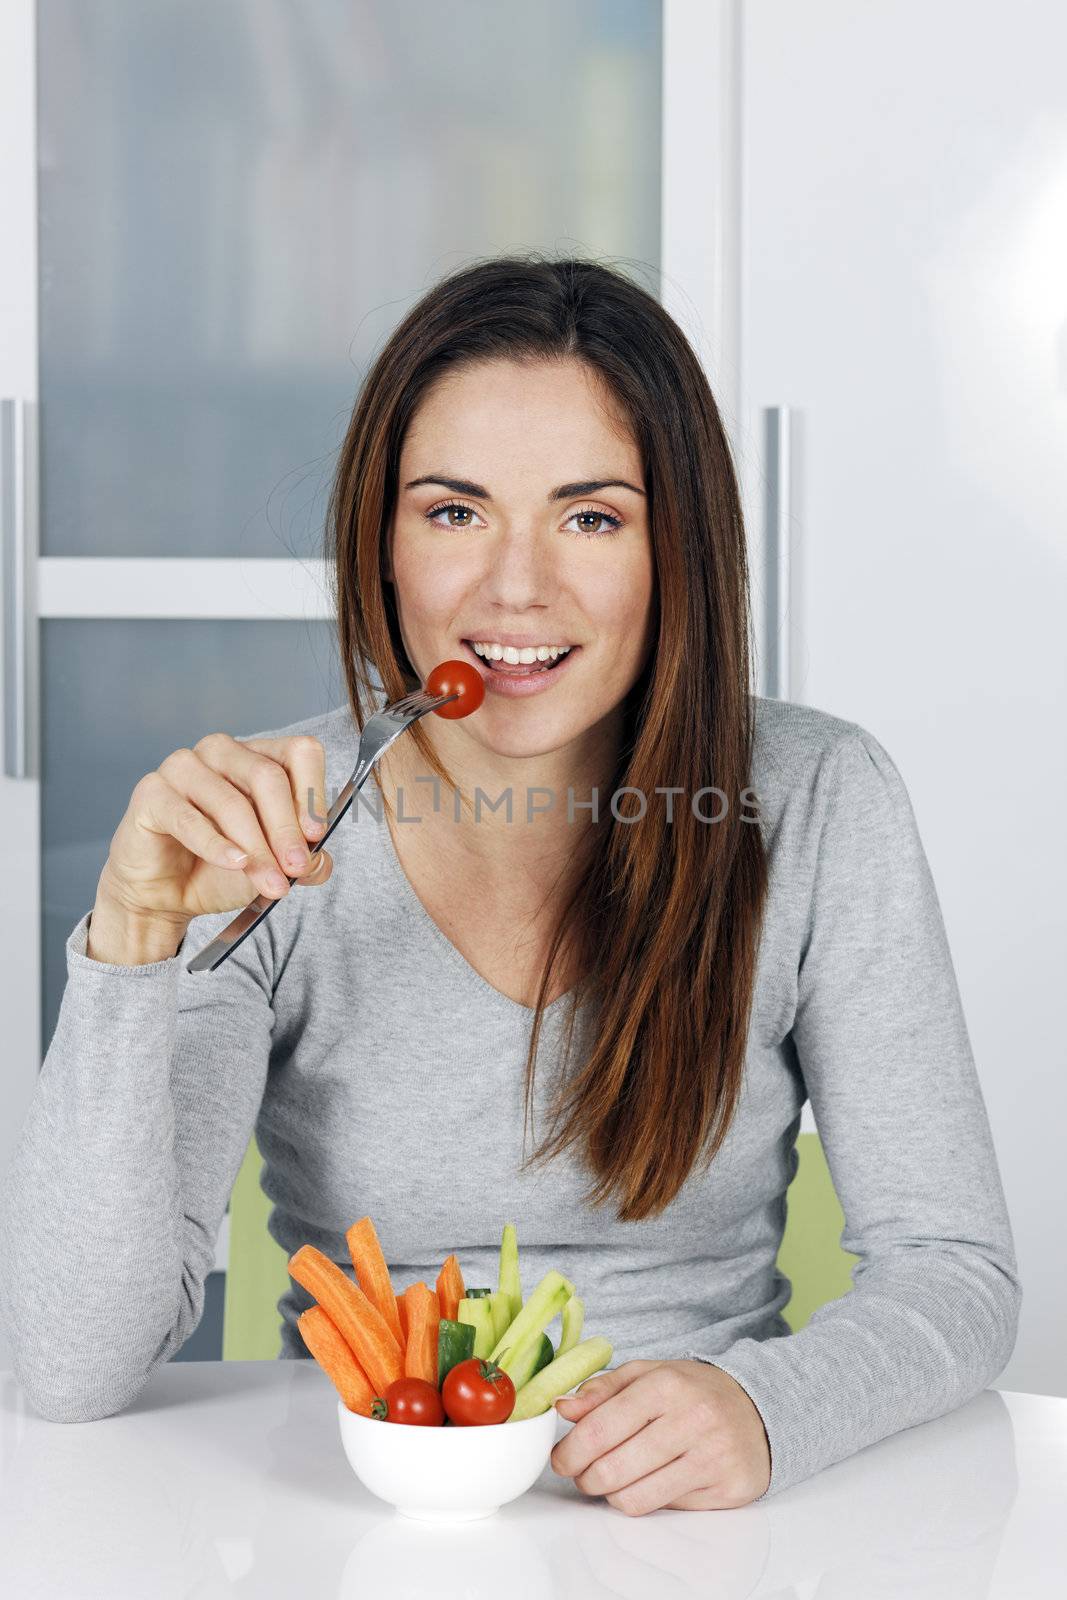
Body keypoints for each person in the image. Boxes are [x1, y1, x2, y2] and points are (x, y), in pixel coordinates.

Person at [0, 255, 1019, 1514]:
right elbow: (72, 1365)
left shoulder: (817, 799)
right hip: (364, 1520)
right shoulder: (272, 836)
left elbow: (952, 1270)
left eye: (590, 517)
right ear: (380, 545)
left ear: (674, 551)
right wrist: (132, 941)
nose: (515, 589)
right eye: (453, 511)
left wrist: (765, 1408)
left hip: (699, 1529)